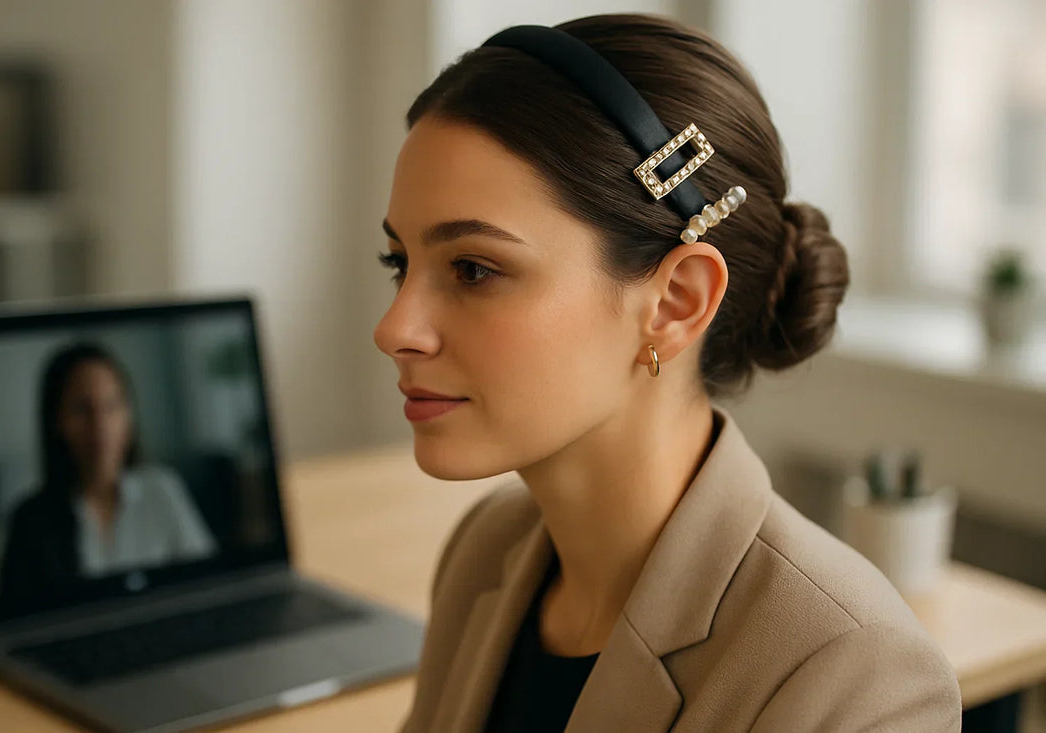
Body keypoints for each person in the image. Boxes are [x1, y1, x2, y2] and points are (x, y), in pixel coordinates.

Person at [374, 14, 961, 733]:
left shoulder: (855, 674)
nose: (395, 328)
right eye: (400, 264)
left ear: (676, 303)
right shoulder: (486, 549)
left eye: (473, 269)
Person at [0, 343, 216, 603]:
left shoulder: (162, 489)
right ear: (56, 420)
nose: (99, 425)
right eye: (81, 409)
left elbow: (210, 582)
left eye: (111, 405)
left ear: (128, 415)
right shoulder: (30, 521)